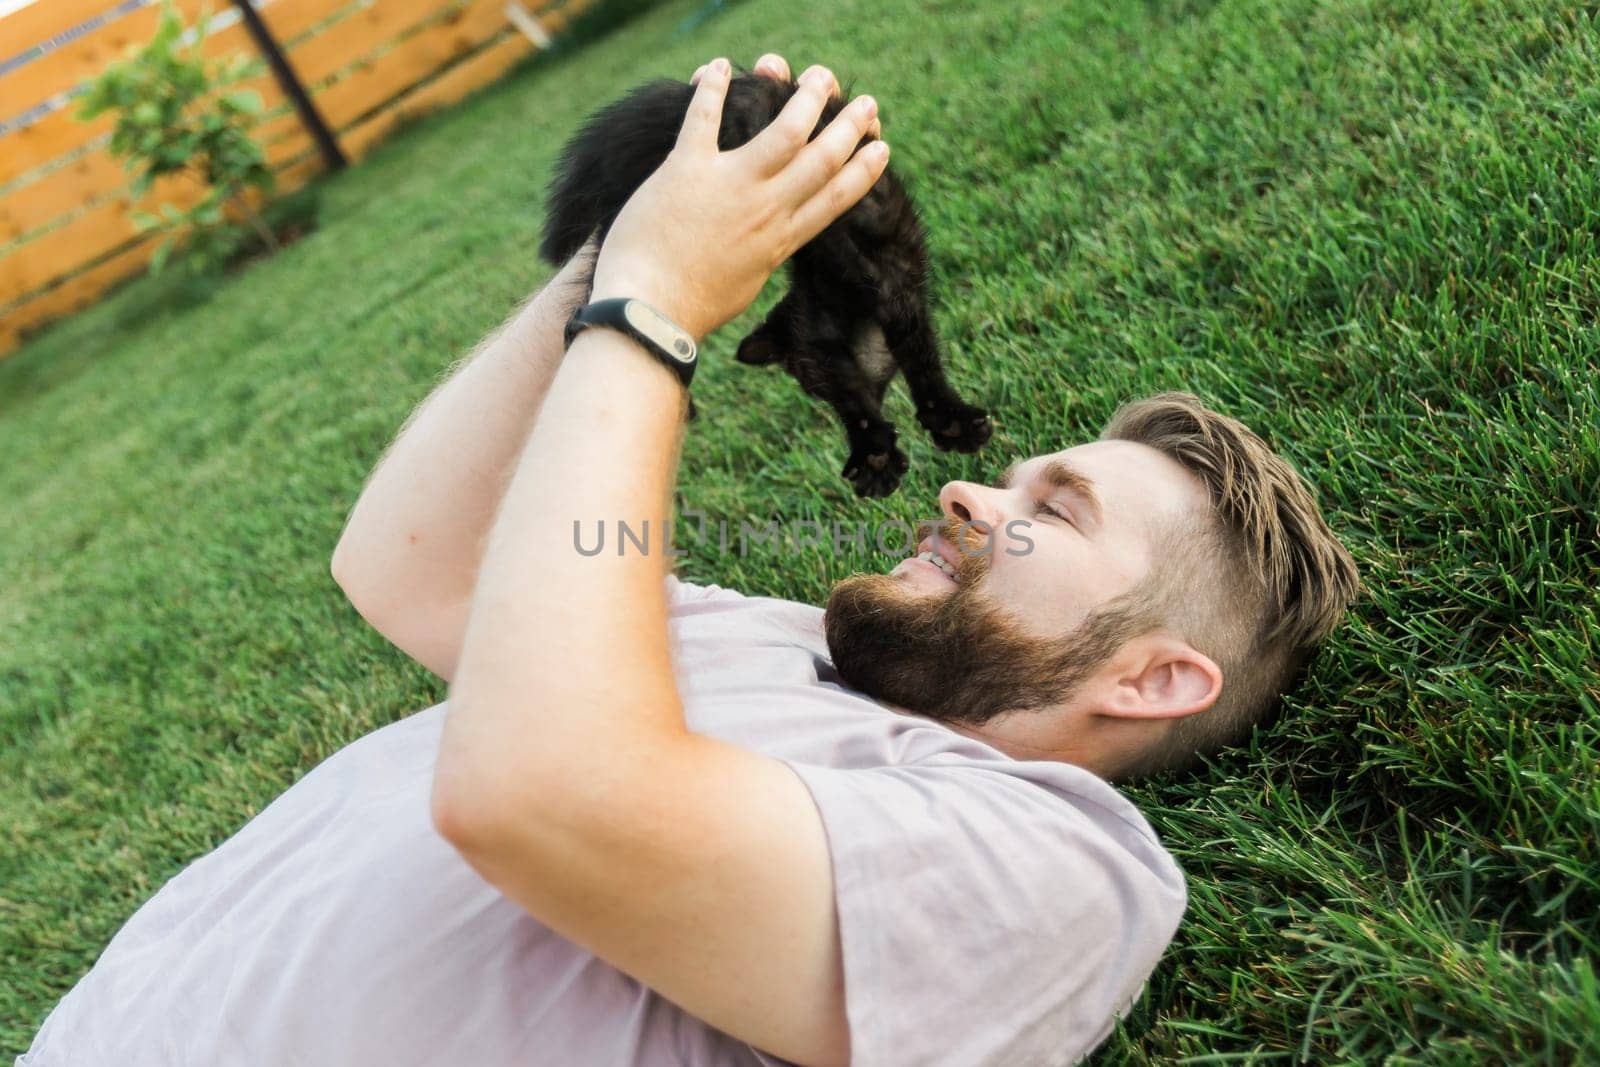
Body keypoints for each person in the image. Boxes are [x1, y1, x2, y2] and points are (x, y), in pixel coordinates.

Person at [17, 53, 1359, 1067]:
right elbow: (411, 570)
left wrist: (657, 316)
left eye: (1051, 511)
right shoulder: (767, 641)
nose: (966, 489)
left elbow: (537, 797)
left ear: (1158, 677)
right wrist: (627, 237)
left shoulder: (1057, 865)